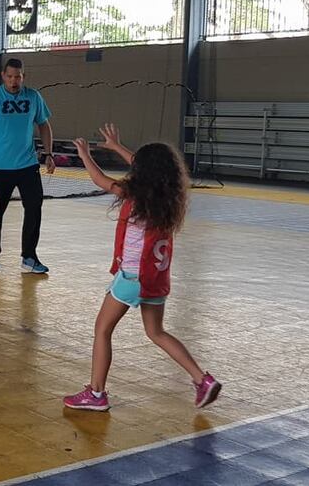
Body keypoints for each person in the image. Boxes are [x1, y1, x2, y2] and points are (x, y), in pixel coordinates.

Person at [63, 124, 221, 411]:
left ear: (143, 172)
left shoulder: (133, 195)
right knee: (156, 332)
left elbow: (99, 179)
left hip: (132, 277)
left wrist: (85, 154)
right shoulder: (169, 197)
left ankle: (96, 393)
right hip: (155, 277)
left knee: (102, 329)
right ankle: (202, 379)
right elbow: (146, 165)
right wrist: (116, 146)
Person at [0, 58, 55, 274]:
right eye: (10, 76)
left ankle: (29, 258)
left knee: (34, 209)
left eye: (18, 76)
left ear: (24, 76)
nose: (14, 81)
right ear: (3, 76)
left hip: (28, 166)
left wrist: (49, 153)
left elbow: (44, 124)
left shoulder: (33, 97)